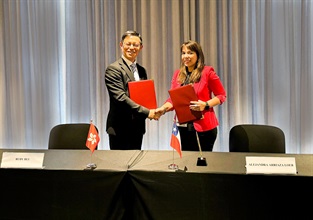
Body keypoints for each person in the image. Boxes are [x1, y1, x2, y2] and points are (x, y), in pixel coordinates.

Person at [156, 40, 226, 151]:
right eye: (183, 53)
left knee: (201, 165)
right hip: (182, 127)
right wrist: (163, 109)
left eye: (190, 53)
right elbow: (173, 99)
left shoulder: (207, 72)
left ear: (198, 55)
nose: (186, 56)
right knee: (186, 163)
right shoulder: (178, 74)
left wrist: (206, 104)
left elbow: (221, 95)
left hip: (204, 128)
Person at [105, 30, 156, 150]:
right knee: (120, 165)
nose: (131, 47)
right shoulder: (113, 69)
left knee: (135, 165)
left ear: (141, 47)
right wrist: (148, 112)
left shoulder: (141, 70)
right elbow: (120, 98)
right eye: (128, 44)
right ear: (121, 45)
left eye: (136, 45)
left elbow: (143, 96)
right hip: (119, 127)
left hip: (137, 127)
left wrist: (152, 109)